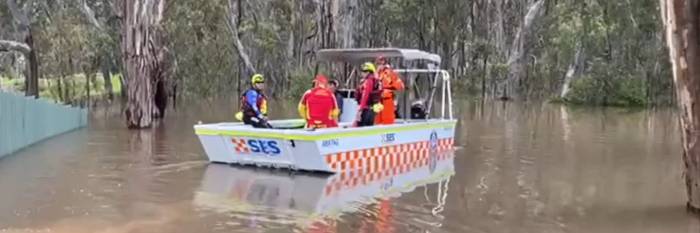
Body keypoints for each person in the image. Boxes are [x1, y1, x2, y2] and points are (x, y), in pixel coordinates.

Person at [374, 56, 404, 125]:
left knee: (388, 120)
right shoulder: (376, 73)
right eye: (378, 64)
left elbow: (400, 86)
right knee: (377, 120)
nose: (379, 65)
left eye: (380, 63)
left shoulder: (390, 73)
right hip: (377, 100)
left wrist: (391, 90)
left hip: (387, 99)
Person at [354, 62, 382, 127]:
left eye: (364, 71)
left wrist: (360, 109)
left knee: (360, 129)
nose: (362, 73)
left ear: (368, 72)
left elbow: (365, 96)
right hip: (372, 110)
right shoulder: (375, 80)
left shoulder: (368, 81)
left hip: (366, 110)